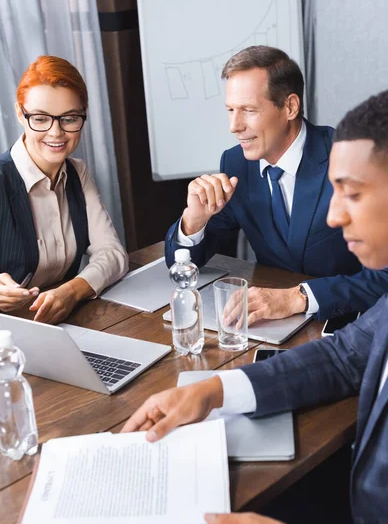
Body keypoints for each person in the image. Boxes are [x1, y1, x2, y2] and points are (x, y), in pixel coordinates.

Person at [125, 90, 388, 524]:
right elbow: (344, 355)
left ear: (288, 106)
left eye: (352, 192)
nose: (334, 214)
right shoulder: (236, 165)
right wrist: (211, 391)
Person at [165, 46, 388, 324]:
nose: (234, 126)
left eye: (248, 110)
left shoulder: (349, 160)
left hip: (354, 322)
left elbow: (384, 277)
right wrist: (193, 222)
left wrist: (300, 297)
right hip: (271, 322)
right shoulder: (235, 164)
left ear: (290, 107)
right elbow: (182, 266)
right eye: (230, 110)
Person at [0, 55, 128, 324]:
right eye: (40, 119)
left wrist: (72, 291)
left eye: (69, 118)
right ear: (20, 113)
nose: (56, 132)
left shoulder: (77, 173)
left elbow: (112, 253)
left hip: (63, 325)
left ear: (83, 114)